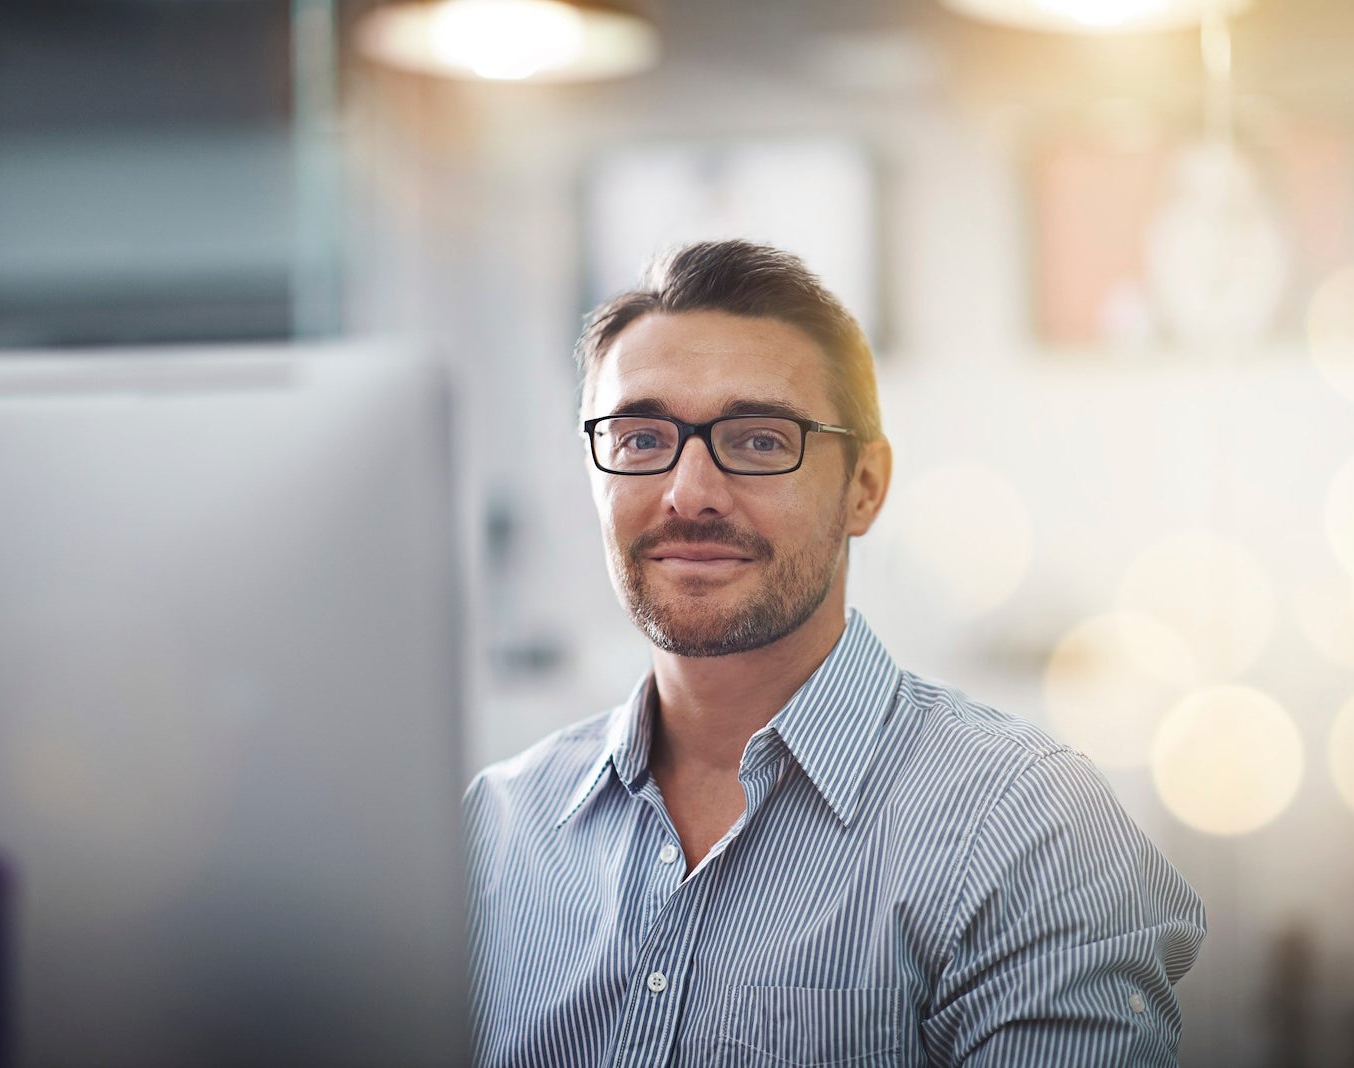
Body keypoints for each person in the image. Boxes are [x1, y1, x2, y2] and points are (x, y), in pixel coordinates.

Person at [465, 239, 1205, 1067]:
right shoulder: (491, 834)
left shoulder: (1026, 829)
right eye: (641, 439)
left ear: (864, 488)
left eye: (756, 440)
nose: (689, 492)